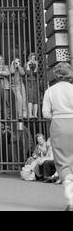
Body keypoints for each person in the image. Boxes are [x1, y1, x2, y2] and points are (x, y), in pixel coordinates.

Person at [42, 62, 73, 211]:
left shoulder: (50, 91)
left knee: (62, 160)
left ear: (56, 75)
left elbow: (46, 114)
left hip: (59, 124)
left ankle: (70, 193)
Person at [25, 53, 39, 119]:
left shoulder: (35, 64)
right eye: (32, 58)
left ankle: (35, 114)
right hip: (28, 81)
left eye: (34, 58)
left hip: (34, 81)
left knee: (35, 97)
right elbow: (27, 73)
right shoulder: (26, 64)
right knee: (30, 97)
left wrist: (36, 66)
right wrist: (28, 65)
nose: (33, 60)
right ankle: (30, 114)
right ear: (29, 58)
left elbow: (35, 73)